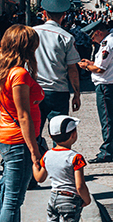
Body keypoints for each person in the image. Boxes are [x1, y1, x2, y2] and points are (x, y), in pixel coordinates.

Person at [0, 25, 44, 221]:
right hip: (19, 141)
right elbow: (23, 115)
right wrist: (34, 151)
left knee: (6, 193)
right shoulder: (19, 74)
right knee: (13, 200)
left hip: (7, 137)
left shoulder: (4, 70)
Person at [34, 0, 82, 139]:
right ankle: (59, 160)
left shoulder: (31, 33)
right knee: (60, 134)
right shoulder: (66, 37)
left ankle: (35, 161)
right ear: (64, 15)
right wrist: (76, 94)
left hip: (35, 90)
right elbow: (72, 69)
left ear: (44, 13)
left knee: (34, 132)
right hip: (58, 91)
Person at [79, 20, 113, 163]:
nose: (93, 41)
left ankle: (106, 151)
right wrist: (92, 63)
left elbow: (100, 69)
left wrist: (86, 66)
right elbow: (102, 64)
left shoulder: (107, 45)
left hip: (105, 85)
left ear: (98, 33)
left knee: (106, 119)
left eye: (93, 37)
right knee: (112, 117)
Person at [32, 116, 91, 222]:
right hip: (70, 200)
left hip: (53, 198)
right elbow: (80, 185)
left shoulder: (47, 155)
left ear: (50, 136)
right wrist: (87, 200)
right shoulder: (76, 157)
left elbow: (39, 178)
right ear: (73, 134)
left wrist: (35, 166)